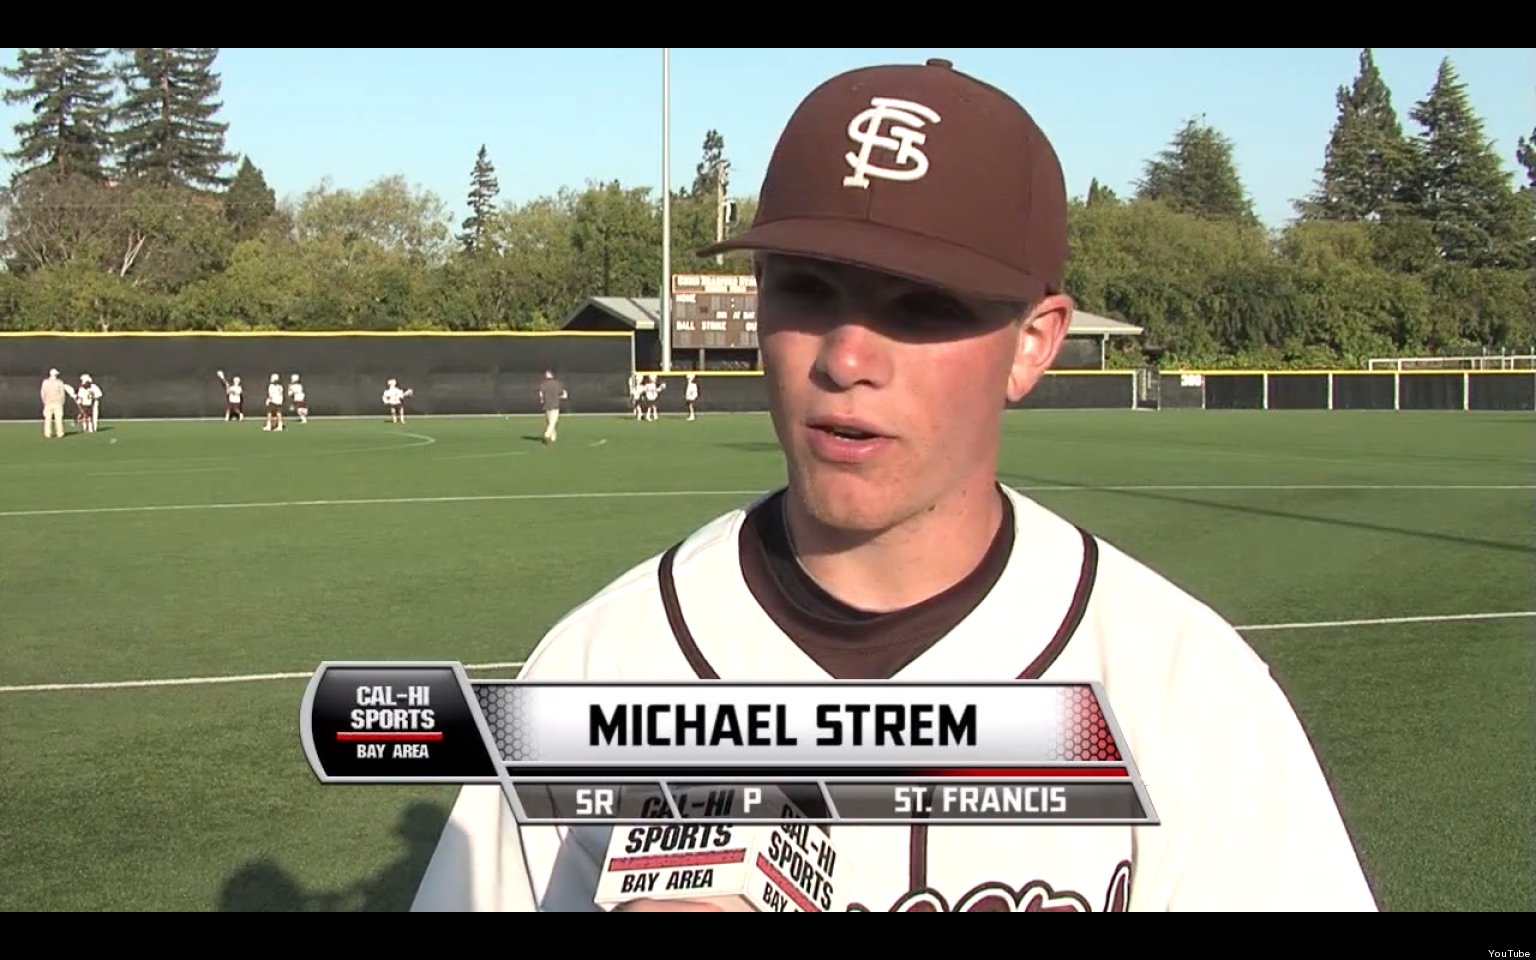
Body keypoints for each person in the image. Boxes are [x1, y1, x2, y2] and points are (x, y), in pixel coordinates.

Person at [413, 58, 1378, 913]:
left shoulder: (1185, 688)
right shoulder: (598, 666)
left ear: (1034, 343)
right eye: (807, 289)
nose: (845, 357)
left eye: (921, 307)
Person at [40, 368, 73, 439]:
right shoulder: (59, 382)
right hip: (58, 403)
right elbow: (62, 394)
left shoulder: (45, 382)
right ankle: (60, 433)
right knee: (59, 419)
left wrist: (44, 401)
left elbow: (43, 393)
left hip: (48, 403)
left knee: (47, 419)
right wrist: (62, 401)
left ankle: (47, 433)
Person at [539, 369, 568, 444]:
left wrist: (542, 400)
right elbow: (562, 394)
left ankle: (553, 437)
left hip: (547, 405)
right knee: (552, 422)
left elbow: (541, 393)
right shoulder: (557, 383)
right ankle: (547, 435)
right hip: (555, 405)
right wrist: (563, 395)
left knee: (550, 422)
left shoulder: (544, 384)